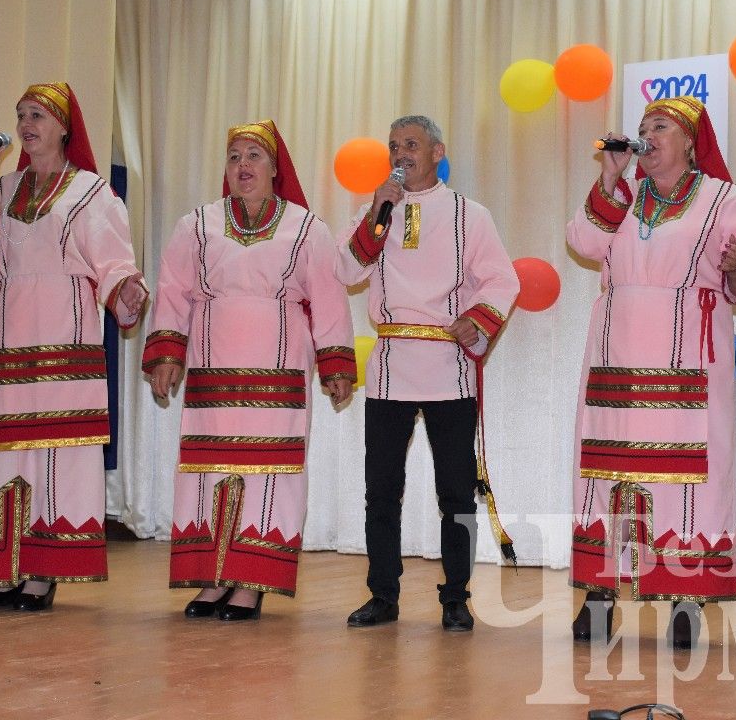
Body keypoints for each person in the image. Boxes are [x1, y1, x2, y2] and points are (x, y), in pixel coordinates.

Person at [567, 97, 736, 647]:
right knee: (607, 467)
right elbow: (582, 243)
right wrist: (610, 181)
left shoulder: (729, 199)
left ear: (690, 140)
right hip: (616, 347)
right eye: (641, 128)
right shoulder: (622, 198)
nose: (646, 135)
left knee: (689, 474)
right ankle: (598, 594)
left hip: (689, 353)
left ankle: (686, 596)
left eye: (660, 126)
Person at [143, 120, 355, 621]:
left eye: (254, 156)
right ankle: (211, 576)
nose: (243, 165)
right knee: (208, 466)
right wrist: (166, 355)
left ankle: (251, 580)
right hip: (212, 364)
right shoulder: (196, 225)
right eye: (234, 155)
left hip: (278, 364)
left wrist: (336, 361)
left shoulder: (306, 227)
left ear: (275, 169)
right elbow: (173, 289)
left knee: (269, 469)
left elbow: (327, 298)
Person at [0, 82, 148, 610]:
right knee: (4, 447)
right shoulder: (7, 186)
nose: (25, 125)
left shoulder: (90, 191)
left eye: (37, 115)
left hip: (65, 331)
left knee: (56, 450)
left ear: (63, 127)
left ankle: (43, 570)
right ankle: (4, 565)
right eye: (20, 115)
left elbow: (113, 260)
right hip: (8, 333)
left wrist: (126, 287)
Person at [336, 115, 519, 632]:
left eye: (411, 144)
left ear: (438, 151)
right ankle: (382, 594)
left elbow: (502, 281)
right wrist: (376, 211)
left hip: (449, 366)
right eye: (394, 145)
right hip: (392, 366)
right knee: (381, 489)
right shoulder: (379, 210)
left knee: (456, 492)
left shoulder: (470, 214)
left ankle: (456, 596)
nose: (401, 153)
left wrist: (477, 319)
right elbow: (346, 271)